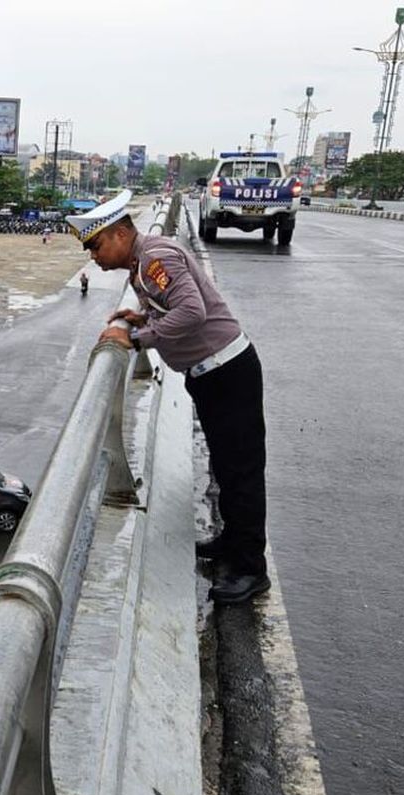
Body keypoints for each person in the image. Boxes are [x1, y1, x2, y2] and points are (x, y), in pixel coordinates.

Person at [66, 190, 269, 604]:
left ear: (122, 234)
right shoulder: (143, 266)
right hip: (211, 374)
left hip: (227, 372)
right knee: (227, 469)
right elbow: (173, 304)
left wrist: (136, 338)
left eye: (98, 245)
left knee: (241, 472)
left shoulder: (156, 259)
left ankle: (251, 569)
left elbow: (192, 313)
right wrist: (141, 315)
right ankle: (234, 543)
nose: (95, 257)